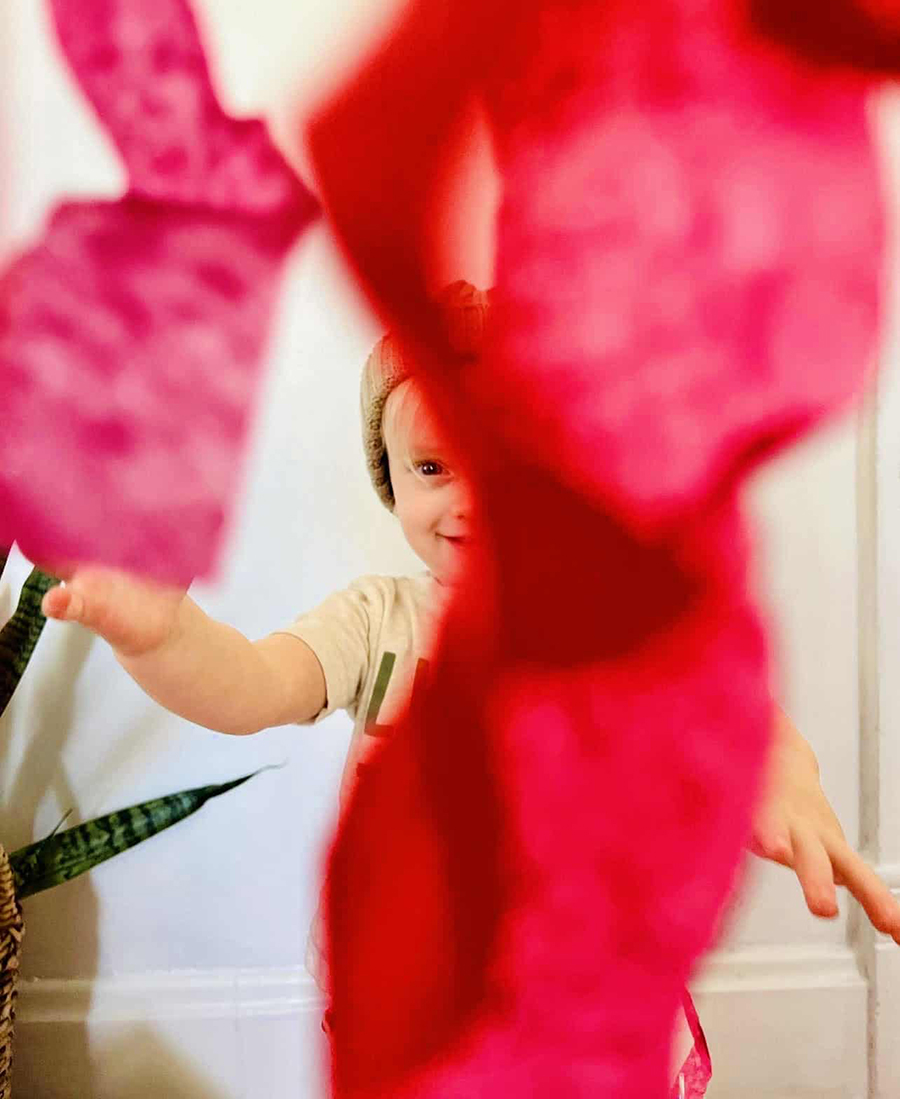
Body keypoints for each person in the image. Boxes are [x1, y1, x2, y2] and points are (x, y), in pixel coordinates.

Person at [40, 281, 900, 974]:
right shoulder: (378, 622)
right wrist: (163, 638)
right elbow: (252, 685)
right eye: (431, 466)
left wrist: (786, 779)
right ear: (392, 479)